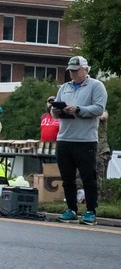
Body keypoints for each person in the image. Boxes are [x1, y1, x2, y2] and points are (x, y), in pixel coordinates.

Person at [52, 55, 107, 225]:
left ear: (86, 70)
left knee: (88, 176)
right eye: (70, 71)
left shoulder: (96, 86)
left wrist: (78, 110)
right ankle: (71, 208)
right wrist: (56, 111)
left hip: (85, 139)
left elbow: (99, 109)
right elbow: (56, 108)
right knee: (67, 177)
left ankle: (91, 210)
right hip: (64, 137)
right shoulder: (65, 87)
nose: (73, 74)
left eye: (76, 71)